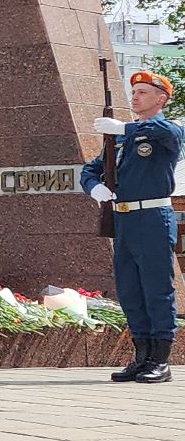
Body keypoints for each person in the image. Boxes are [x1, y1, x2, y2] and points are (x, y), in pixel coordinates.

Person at [83, 69, 184, 384]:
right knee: (130, 290)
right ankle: (141, 356)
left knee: (157, 288)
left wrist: (124, 127)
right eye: (134, 92)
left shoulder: (168, 130)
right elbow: (93, 168)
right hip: (124, 219)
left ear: (160, 98)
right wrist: (94, 188)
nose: (135, 96)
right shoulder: (122, 139)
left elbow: (164, 132)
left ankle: (161, 360)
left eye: (142, 92)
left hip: (153, 218)